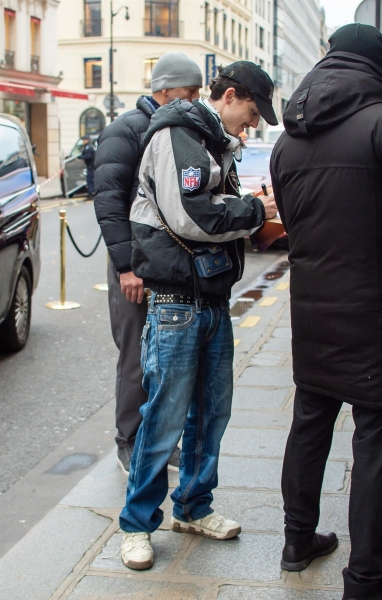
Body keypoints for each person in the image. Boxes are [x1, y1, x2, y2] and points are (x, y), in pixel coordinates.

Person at [119, 61, 279, 570]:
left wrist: (240, 208)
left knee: (211, 415)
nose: (252, 125)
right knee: (163, 420)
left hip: (209, 299)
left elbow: (213, 209)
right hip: (174, 303)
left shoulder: (211, 142)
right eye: (252, 113)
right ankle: (137, 525)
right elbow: (196, 216)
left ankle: (192, 507)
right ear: (229, 96)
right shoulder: (177, 135)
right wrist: (255, 210)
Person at [270, 24, 382, 599]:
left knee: (309, 428)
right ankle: (364, 580)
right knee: (377, 439)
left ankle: (297, 540)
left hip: (313, 313)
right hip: (378, 316)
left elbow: (295, 230)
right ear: (377, 64)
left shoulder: (286, 142)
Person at [94, 53, 203, 476]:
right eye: (189, 92)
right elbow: (108, 204)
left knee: (164, 356)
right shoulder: (126, 131)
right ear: (165, 89)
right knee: (135, 356)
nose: (194, 100)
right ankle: (129, 440)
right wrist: (126, 267)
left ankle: (157, 439)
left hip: (165, 265)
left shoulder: (173, 128)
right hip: (134, 266)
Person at [81, 135, 95, 199]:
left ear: (87, 140)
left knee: (90, 180)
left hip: (91, 166)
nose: (83, 141)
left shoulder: (88, 147)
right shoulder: (89, 146)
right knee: (91, 180)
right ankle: (91, 193)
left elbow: (88, 156)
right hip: (91, 166)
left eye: (84, 140)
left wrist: (82, 157)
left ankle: (90, 194)